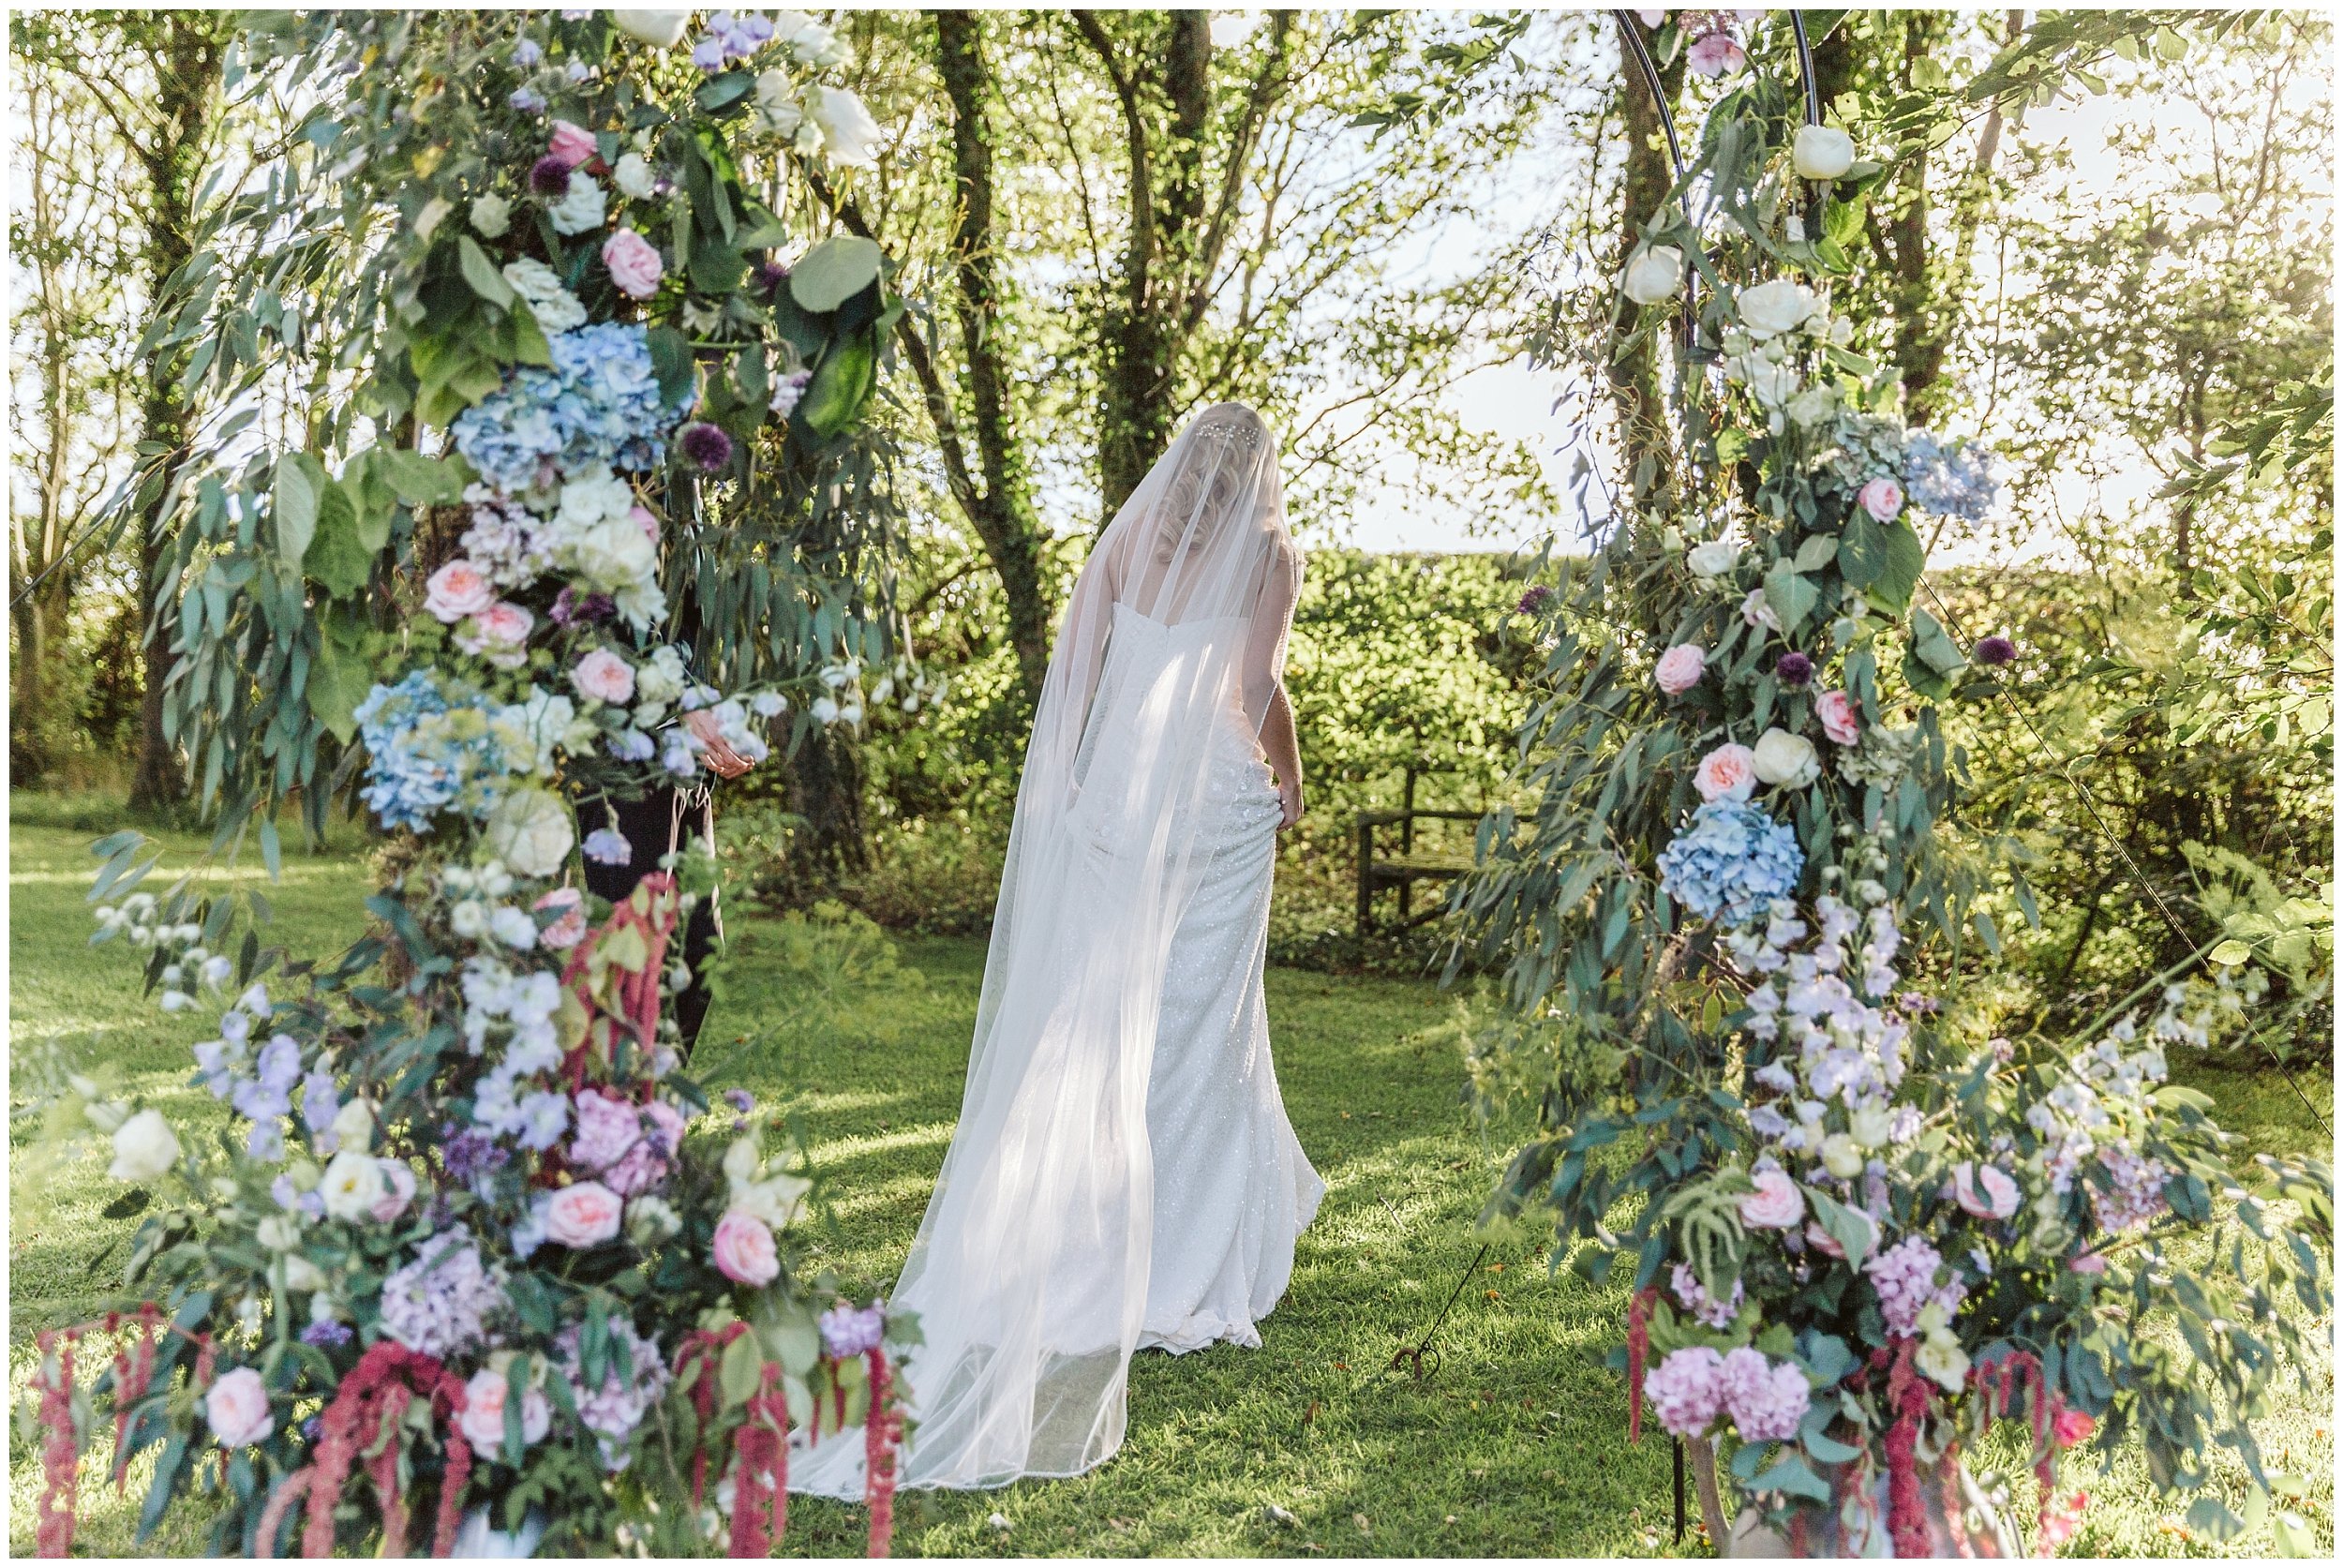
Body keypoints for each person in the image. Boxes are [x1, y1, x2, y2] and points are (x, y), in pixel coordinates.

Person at [790, 401, 1322, 1496]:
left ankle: (1094, 1246)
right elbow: (1254, 686)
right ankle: (1178, 1258)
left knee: (1097, 1023)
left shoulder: (1127, 536)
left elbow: (1075, 675)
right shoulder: (1267, 550)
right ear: (1257, 469)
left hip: (1113, 803)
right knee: (1198, 1023)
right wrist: (1292, 774)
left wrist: (1075, 785)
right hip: (1213, 806)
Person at [577, 708, 752, 1056]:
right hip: (629, 772)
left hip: (689, 779)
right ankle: (607, 1098)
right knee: (630, 960)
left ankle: (650, 1094)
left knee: (700, 952)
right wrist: (687, 707)